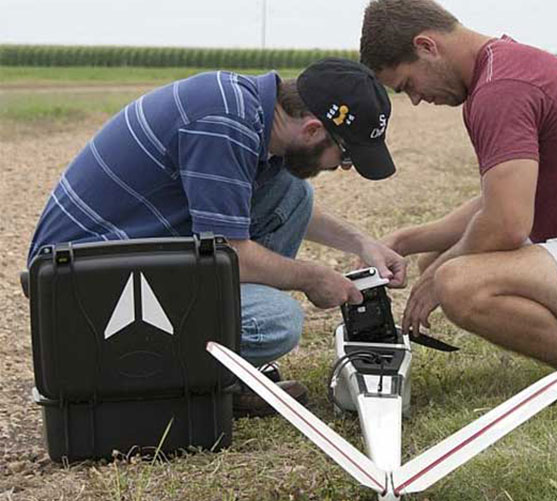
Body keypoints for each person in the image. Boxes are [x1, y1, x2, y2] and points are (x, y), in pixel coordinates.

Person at [27, 58, 406, 416]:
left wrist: (361, 243)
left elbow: (287, 212)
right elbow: (229, 251)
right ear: (312, 131)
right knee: (276, 322)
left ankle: (221, 378)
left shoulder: (252, 112)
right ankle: (189, 381)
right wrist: (314, 278)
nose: (340, 169)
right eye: (343, 158)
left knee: (293, 193)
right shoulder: (222, 125)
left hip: (121, 265)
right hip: (80, 296)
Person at [359, 0, 557, 404]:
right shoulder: (503, 67)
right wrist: (406, 241)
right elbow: (497, 202)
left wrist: (434, 280)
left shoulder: (499, 91)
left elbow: (506, 225)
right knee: (438, 262)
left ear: (427, 46)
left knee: (456, 282)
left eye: (407, 84)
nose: (417, 100)